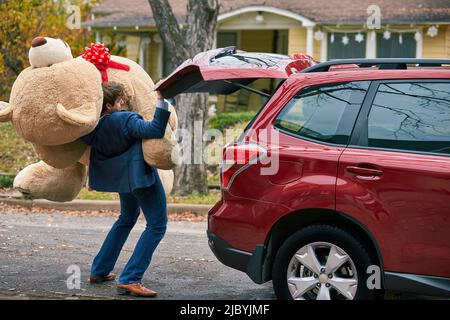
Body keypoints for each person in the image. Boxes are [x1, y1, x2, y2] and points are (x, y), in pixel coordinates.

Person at [81, 81, 171, 297]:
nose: (123, 102)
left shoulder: (92, 127)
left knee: (126, 219)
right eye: (119, 100)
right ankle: (131, 277)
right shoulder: (126, 119)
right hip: (140, 178)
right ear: (109, 105)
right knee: (157, 225)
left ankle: (99, 270)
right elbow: (155, 130)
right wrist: (162, 102)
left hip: (122, 181)